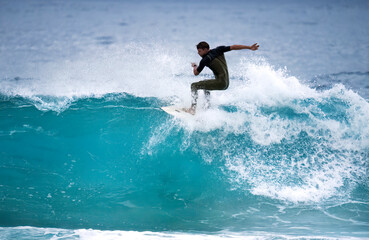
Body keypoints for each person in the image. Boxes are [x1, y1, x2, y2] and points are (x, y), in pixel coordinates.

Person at [183, 41, 259, 115]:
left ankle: (192, 109)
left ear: (205, 50)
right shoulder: (219, 49)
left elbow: (196, 73)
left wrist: (195, 66)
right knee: (205, 85)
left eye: (199, 51)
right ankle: (207, 107)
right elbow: (233, 47)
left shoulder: (205, 60)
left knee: (194, 85)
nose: (198, 53)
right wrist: (249, 47)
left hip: (220, 83)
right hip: (226, 83)